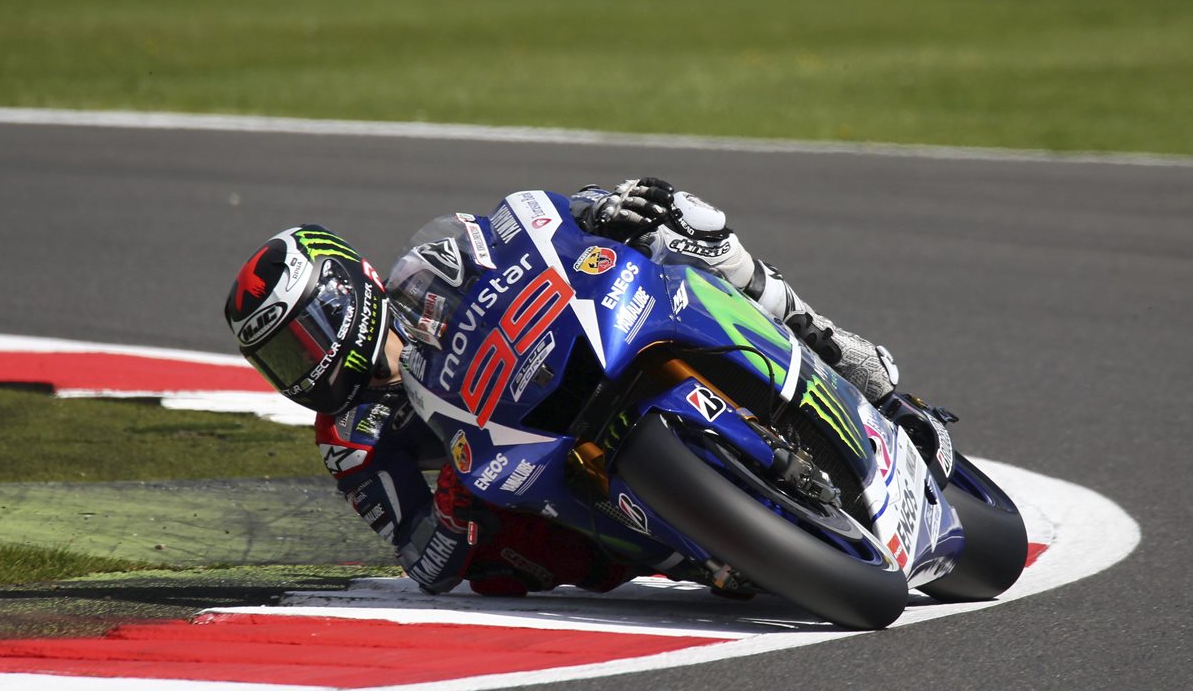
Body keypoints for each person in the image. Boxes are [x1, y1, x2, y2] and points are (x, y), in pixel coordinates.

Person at [224, 178, 905, 598]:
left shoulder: (425, 275)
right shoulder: (349, 439)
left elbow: (522, 233)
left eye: (298, 341)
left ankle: (821, 338)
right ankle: (698, 552)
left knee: (680, 224)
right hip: (527, 470)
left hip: (568, 349)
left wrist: (601, 207)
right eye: (278, 361)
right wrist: (457, 516)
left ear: (344, 295)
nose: (300, 369)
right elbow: (423, 560)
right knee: (500, 574)